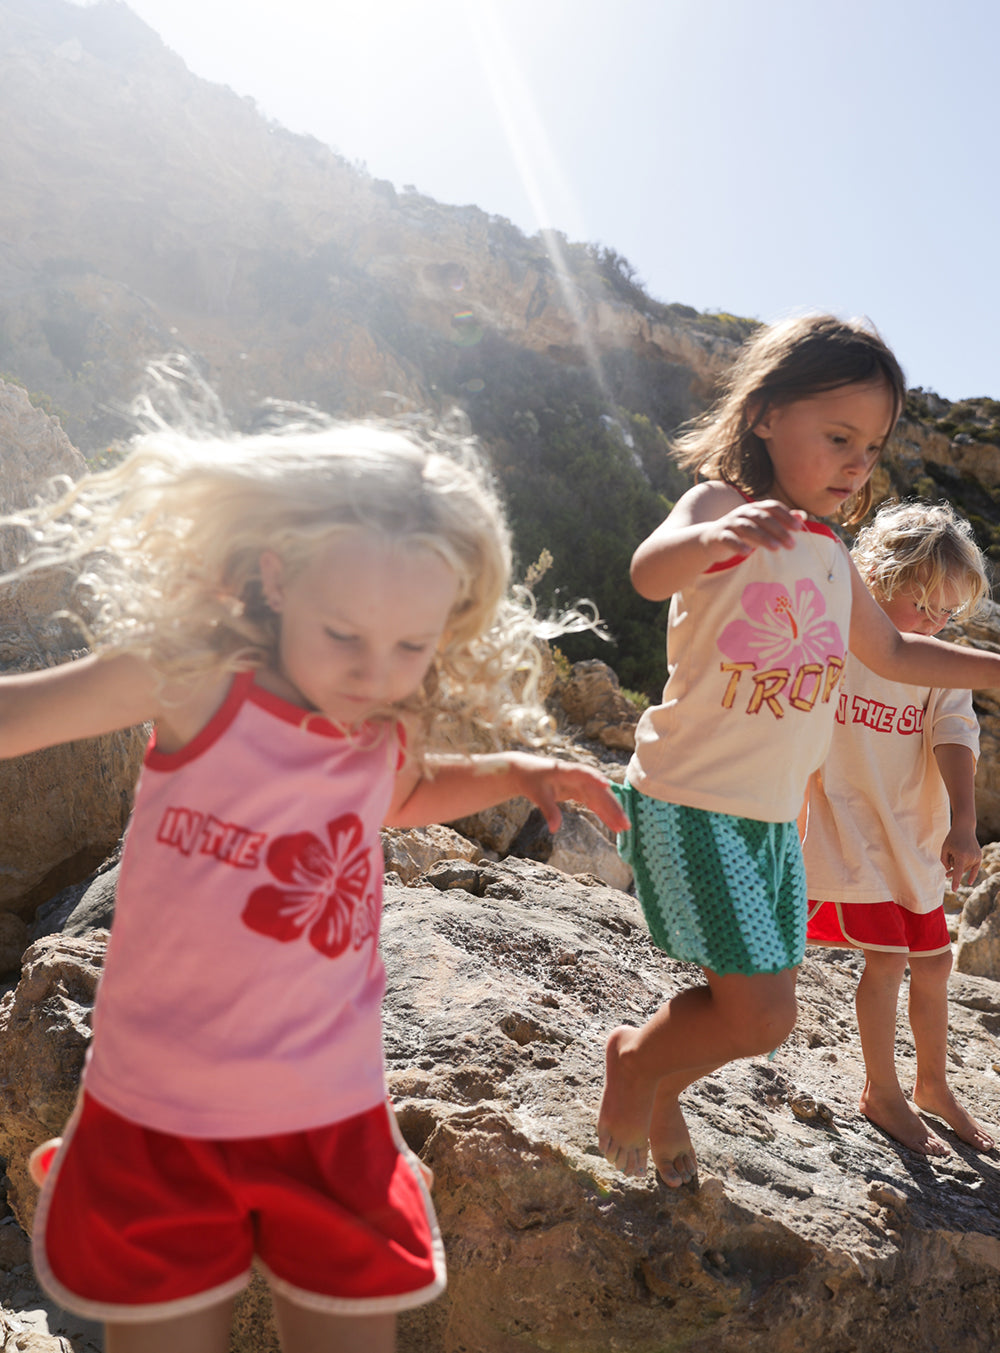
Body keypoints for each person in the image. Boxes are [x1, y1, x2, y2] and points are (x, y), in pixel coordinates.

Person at [0, 409, 629, 1353]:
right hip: (160, 1114)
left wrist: (514, 770)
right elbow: (19, 714)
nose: (374, 673)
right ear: (277, 574)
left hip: (331, 1116)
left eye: (411, 647)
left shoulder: (381, 725)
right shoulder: (196, 679)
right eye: (343, 634)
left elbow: (401, 794)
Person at [597, 313, 1000, 1186]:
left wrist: (993, 668)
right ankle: (634, 1064)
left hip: (770, 819)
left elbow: (893, 653)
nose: (858, 463)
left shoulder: (828, 549)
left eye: (873, 446)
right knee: (761, 1014)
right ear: (766, 414)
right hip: (693, 798)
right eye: (839, 437)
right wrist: (713, 541)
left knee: (754, 1007)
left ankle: (661, 1083)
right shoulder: (722, 505)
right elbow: (648, 570)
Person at [802, 500, 995, 1156]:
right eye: (924, 606)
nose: (936, 624)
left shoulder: (941, 661)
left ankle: (933, 1083)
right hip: (846, 824)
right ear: (877, 578)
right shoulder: (836, 635)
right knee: (885, 957)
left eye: (948, 614)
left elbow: (955, 731)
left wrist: (963, 823)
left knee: (935, 962)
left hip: (912, 830)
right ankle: (880, 1091)